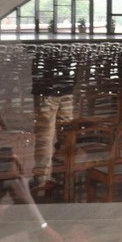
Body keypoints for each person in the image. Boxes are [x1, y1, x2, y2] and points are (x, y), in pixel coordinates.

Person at [31, 50, 76, 189]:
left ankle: (48, 175)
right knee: (50, 136)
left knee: (53, 135)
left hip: (55, 90)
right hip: (57, 90)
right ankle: (47, 176)